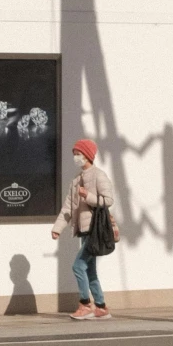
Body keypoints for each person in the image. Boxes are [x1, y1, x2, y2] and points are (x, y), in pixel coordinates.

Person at [51, 136, 118, 318]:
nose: (76, 157)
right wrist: (58, 228)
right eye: (74, 154)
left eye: (78, 153)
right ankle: (101, 307)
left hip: (94, 231)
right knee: (89, 269)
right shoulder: (76, 179)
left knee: (77, 266)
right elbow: (68, 207)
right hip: (83, 231)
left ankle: (85, 304)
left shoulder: (98, 175)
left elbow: (109, 200)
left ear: (88, 155)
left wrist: (88, 195)